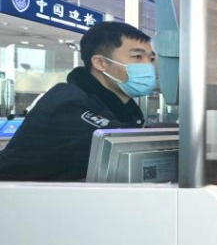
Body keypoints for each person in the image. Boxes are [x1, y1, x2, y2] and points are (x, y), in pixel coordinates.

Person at [0, 22, 154, 181]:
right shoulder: (68, 104)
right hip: (13, 199)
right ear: (101, 63)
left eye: (151, 58)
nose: (148, 65)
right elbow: (122, 146)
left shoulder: (119, 109)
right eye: (137, 56)